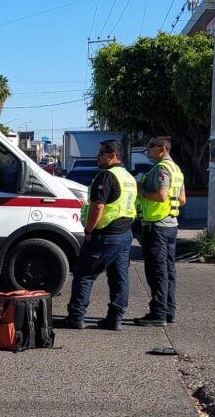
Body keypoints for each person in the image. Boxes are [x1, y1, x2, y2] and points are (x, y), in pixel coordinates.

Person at [65, 140, 137, 331]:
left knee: (84, 275)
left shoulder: (105, 176)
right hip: (124, 234)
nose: (97, 157)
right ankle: (115, 319)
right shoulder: (128, 177)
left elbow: (98, 207)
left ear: (112, 155)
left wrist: (89, 230)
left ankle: (76, 317)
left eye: (101, 154)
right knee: (119, 277)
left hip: (106, 234)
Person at [134, 136, 186, 327]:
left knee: (157, 271)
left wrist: (141, 191)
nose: (147, 150)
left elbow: (162, 196)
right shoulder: (176, 170)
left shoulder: (162, 169)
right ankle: (169, 310)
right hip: (171, 225)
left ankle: (158, 313)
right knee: (168, 270)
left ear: (162, 149)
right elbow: (182, 199)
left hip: (157, 225)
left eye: (151, 146)